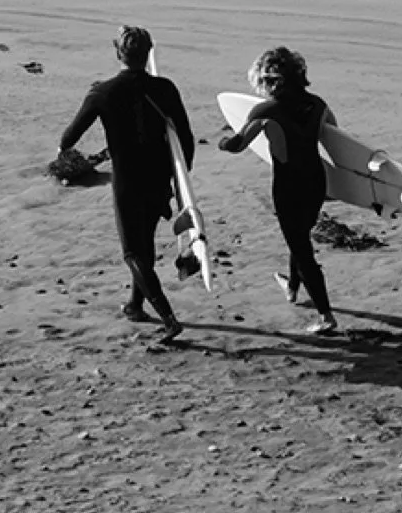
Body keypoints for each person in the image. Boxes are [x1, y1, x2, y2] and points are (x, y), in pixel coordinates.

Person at [57, 25, 195, 342]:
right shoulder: (166, 89)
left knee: (133, 252)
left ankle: (169, 318)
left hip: (128, 179)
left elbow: (68, 139)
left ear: (117, 53)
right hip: (159, 176)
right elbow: (185, 138)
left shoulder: (102, 93)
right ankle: (135, 305)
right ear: (149, 53)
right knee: (144, 243)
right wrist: (181, 181)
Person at [217, 46, 339, 335]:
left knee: (301, 247)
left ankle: (326, 314)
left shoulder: (266, 110)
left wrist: (222, 140)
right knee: (300, 236)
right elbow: (334, 137)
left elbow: (237, 146)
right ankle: (293, 287)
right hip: (315, 181)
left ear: (270, 80)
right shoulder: (319, 105)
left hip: (288, 188)